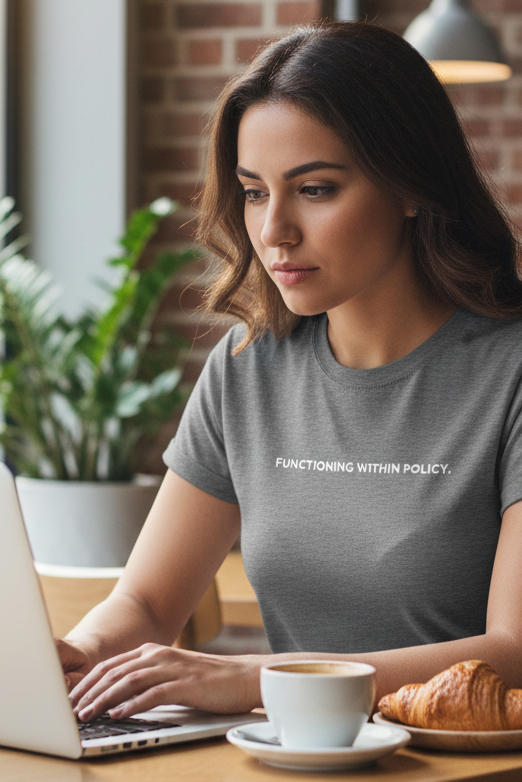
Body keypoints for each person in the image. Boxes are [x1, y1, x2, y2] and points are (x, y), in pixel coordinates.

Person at [60, 21, 522, 724]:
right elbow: (148, 603)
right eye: (253, 192)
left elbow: (511, 652)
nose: (274, 229)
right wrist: (80, 657)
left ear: (410, 187)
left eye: (314, 189)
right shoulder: (247, 368)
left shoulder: (509, 372)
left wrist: (252, 679)